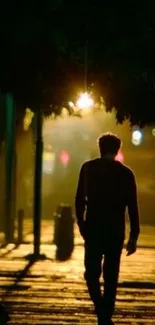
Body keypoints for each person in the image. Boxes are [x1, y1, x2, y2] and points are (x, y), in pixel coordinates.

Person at [75, 133, 140, 325]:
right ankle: (106, 313)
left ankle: (101, 309)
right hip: (115, 231)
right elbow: (132, 207)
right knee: (111, 275)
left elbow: (79, 200)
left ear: (100, 148)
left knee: (91, 273)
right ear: (118, 149)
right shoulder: (126, 173)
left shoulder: (88, 169)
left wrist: (81, 224)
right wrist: (133, 236)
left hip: (93, 229)